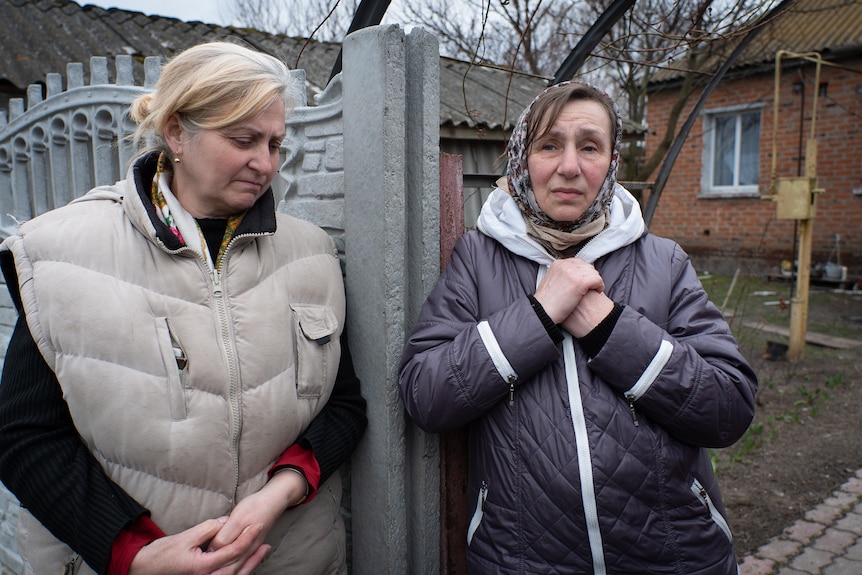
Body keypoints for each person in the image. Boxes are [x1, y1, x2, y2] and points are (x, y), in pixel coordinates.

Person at [0, 41, 367, 575]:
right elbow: (25, 436)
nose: (264, 163)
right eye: (243, 140)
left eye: (275, 143)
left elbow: (344, 405)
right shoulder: (60, 252)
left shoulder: (310, 253)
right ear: (176, 132)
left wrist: (278, 493)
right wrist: (134, 553)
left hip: (289, 558)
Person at [398, 81, 758, 574]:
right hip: (521, 560)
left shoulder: (662, 262)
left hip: (675, 554)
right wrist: (538, 314)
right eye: (549, 145)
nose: (569, 166)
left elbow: (729, 407)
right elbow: (425, 394)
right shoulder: (477, 260)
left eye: (589, 146)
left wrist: (608, 328)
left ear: (611, 164)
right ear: (523, 160)